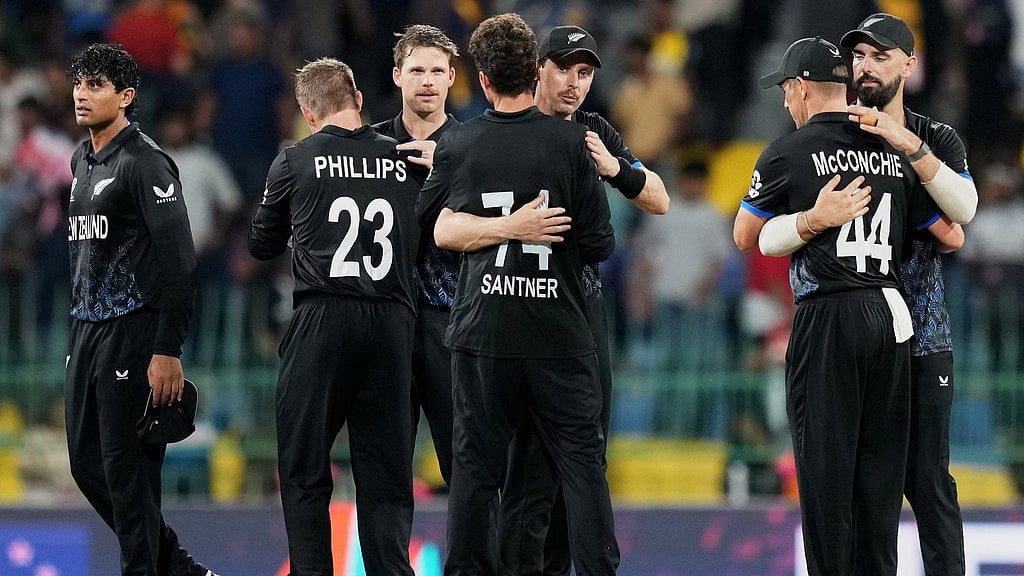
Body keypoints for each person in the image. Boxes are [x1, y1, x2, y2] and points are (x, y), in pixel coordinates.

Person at [732, 36, 964, 576]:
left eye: (787, 92)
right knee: (881, 481)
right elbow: (950, 234)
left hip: (829, 312)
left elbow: (747, 234)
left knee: (824, 478)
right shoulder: (891, 145)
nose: (786, 103)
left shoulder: (789, 149)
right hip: (892, 313)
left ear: (800, 88)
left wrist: (811, 220)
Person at [416, 13, 619, 576]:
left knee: (474, 470)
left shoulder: (458, 143)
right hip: (560, 332)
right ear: (536, 72)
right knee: (582, 467)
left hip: (485, 330)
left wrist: (492, 228)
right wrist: (529, 228)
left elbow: (431, 227)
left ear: (480, 80)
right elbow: (600, 242)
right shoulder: (572, 142)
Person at [498, 24, 669, 576]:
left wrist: (617, 168)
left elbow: (658, 198)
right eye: (565, 69)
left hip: (583, 309)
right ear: (538, 70)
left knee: (586, 456)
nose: (575, 84)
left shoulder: (595, 130)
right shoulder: (508, 128)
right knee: (527, 464)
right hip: (519, 304)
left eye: (586, 73)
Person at [248, 58, 420, 576]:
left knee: (303, 468)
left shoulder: (295, 160)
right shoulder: (406, 157)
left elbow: (261, 245)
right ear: (359, 101)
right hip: (393, 322)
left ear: (306, 111)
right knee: (387, 474)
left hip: (322, 317)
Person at [64, 43, 217, 576]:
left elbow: (181, 262)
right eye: (79, 82)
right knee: (86, 466)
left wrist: (166, 348)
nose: (82, 93)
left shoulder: (145, 162)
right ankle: (179, 569)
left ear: (126, 97)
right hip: (86, 329)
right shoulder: (81, 158)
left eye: (96, 85)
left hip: (132, 330)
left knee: (128, 475)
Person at [840, 15, 977, 575]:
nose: (865, 67)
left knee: (927, 479)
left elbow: (962, 217)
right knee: (868, 484)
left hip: (923, 337)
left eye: (880, 55)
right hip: (859, 337)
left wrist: (904, 143)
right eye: (859, 57)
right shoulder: (838, 138)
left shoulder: (938, 138)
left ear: (908, 65)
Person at [371, 23, 461, 487]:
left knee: (465, 467)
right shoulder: (368, 149)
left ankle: (478, 563)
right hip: (388, 320)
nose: (427, 80)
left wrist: (445, 173)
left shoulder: (475, 149)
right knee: (386, 469)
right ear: (397, 76)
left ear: (451, 78)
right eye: (417, 70)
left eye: (436, 71)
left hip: (454, 323)